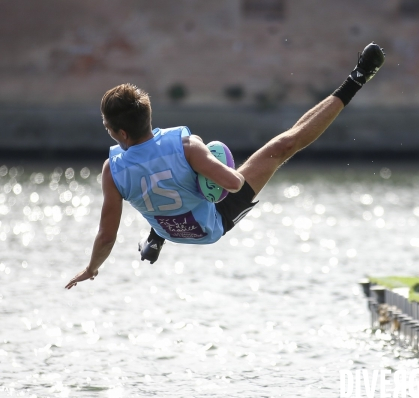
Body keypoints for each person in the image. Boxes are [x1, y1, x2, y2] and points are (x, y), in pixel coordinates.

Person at [65, 42, 385, 289]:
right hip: (211, 224)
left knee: (161, 181)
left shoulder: (111, 168)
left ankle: (155, 237)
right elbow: (232, 185)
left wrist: (92, 269)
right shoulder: (187, 146)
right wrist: (212, 158)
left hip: (172, 230)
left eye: (107, 127)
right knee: (283, 146)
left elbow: (106, 236)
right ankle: (357, 79)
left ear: (121, 132)